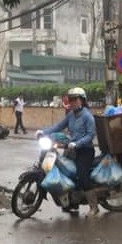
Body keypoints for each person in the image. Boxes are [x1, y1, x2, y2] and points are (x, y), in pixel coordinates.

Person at [37, 87, 98, 216]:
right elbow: (59, 126)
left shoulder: (88, 116)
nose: (72, 102)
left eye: (74, 99)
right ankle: (72, 203)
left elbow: (90, 135)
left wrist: (77, 143)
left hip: (85, 150)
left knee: (82, 176)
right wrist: (43, 131)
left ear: (82, 100)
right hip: (71, 148)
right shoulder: (71, 114)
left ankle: (94, 206)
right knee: (65, 172)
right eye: (70, 99)